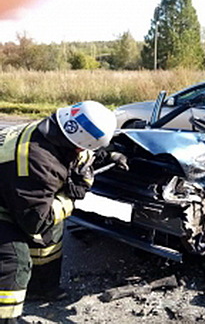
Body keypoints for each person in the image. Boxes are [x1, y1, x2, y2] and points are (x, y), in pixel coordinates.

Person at [0, 100, 127, 323]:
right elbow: (35, 222)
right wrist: (72, 197)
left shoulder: (56, 131)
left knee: (50, 238)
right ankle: (7, 317)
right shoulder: (39, 161)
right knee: (13, 260)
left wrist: (110, 156)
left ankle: (42, 288)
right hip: (7, 200)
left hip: (15, 191)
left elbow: (83, 154)